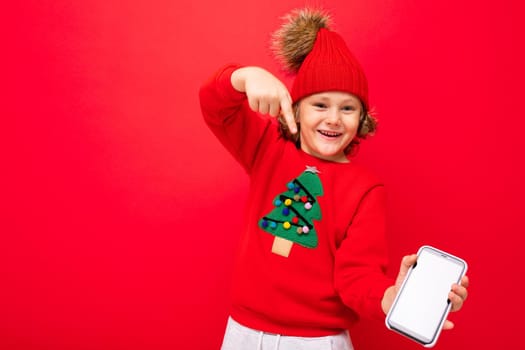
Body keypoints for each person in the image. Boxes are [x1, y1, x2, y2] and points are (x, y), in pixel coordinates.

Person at [199, 7, 469, 350]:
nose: (334, 119)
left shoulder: (366, 190)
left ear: (362, 118)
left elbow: (357, 277)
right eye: (320, 105)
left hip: (317, 341)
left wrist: (390, 296)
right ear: (295, 108)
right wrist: (245, 76)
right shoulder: (267, 149)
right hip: (242, 332)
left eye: (347, 108)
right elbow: (214, 105)